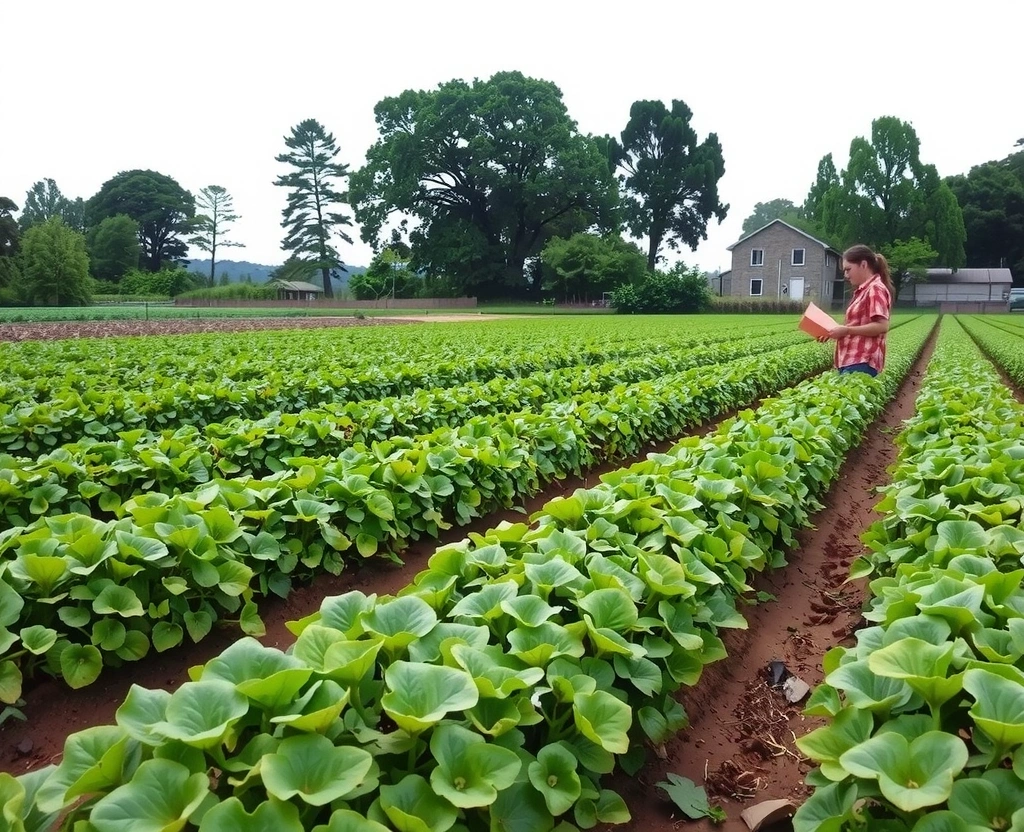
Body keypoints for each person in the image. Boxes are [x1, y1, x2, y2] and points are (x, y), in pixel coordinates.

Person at [817, 244, 894, 376]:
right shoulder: (862, 291)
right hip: (851, 360)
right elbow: (857, 325)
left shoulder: (875, 289)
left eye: (848, 269)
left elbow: (882, 326)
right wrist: (832, 332)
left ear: (863, 265)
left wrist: (847, 330)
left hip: (862, 360)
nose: (846, 275)